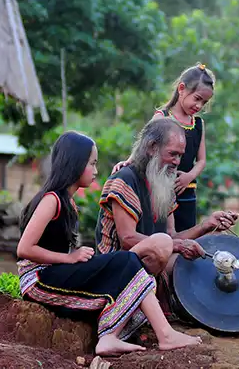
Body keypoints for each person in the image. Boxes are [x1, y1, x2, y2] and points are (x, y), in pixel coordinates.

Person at [17, 132, 201, 355]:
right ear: (74, 163)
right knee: (125, 258)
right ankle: (163, 335)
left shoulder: (68, 202)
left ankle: (111, 336)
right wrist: (68, 258)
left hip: (55, 272)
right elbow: (24, 249)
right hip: (37, 280)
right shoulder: (52, 200)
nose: (95, 171)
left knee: (127, 259)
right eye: (92, 164)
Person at [97, 118, 238, 275]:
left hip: (149, 262)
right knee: (165, 248)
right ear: (152, 148)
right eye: (172, 154)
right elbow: (128, 239)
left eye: (180, 156)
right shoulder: (125, 180)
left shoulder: (163, 183)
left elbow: (172, 236)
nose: (177, 161)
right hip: (116, 268)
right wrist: (175, 245)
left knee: (216, 238)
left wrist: (207, 225)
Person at [150, 64, 213, 231]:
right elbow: (145, 148)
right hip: (160, 191)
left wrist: (188, 177)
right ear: (182, 89)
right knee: (162, 236)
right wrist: (128, 162)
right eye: (197, 98)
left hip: (186, 193)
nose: (199, 106)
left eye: (204, 102)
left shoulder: (198, 124)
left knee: (185, 238)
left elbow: (201, 160)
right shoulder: (161, 117)